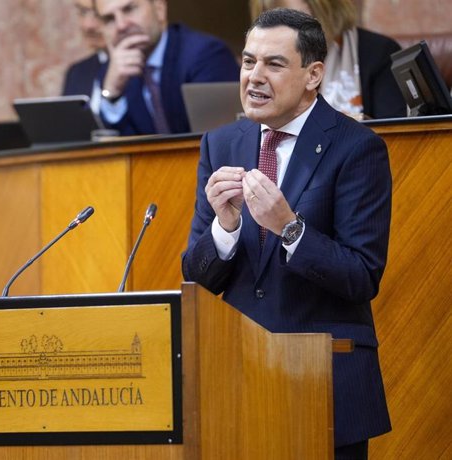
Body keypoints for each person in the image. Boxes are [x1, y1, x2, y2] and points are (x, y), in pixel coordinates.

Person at [182, 8, 391, 459]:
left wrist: (290, 228)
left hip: (325, 384)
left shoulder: (357, 148)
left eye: (274, 64)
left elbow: (362, 275)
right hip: (238, 384)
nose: (254, 76)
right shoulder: (220, 145)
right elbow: (195, 276)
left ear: (313, 74)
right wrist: (226, 226)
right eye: (248, 61)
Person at [94, 0, 239, 135]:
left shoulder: (205, 55)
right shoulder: (113, 73)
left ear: (159, 8)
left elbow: (216, 139)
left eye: (130, 9)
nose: (121, 25)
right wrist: (112, 94)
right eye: (109, 19)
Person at [250, 0, 407, 119]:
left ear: (327, 9)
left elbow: (392, 132)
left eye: (295, 24)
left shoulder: (379, 51)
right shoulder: (261, 60)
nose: (283, 34)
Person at [62, 0, 108, 115]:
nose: (88, 25)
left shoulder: (144, 68)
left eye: (98, 13)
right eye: (83, 12)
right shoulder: (77, 72)